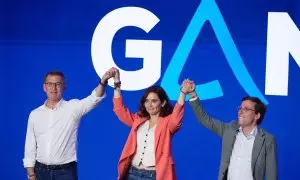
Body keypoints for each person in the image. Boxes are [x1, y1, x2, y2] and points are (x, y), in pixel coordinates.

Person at [23, 69, 114, 180]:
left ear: (64, 86)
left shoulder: (72, 108)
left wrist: (103, 82)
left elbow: (93, 99)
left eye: (58, 84)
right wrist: (31, 174)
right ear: (44, 87)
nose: (53, 88)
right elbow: (30, 145)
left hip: (65, 173)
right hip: (40, 172)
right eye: (50, 84)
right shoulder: (35, 114)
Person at [110, 68, 192, 180]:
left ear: (162, 103)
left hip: (153, 175)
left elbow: (176, 119)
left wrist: (182, 93)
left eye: (154, 101)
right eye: (147, 101)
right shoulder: (138, 120)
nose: (149, 104)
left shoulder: (167, 123)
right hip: (131, 173)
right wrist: (116, 84)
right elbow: (120, 110)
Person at [186, 80, 277, 180]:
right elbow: (204, 119)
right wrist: (192, 94)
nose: (241, 112)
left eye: (246, 109)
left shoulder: (267, 140)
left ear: (257, 115)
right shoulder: (229, 130)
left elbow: (271, 175)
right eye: (240, 108)